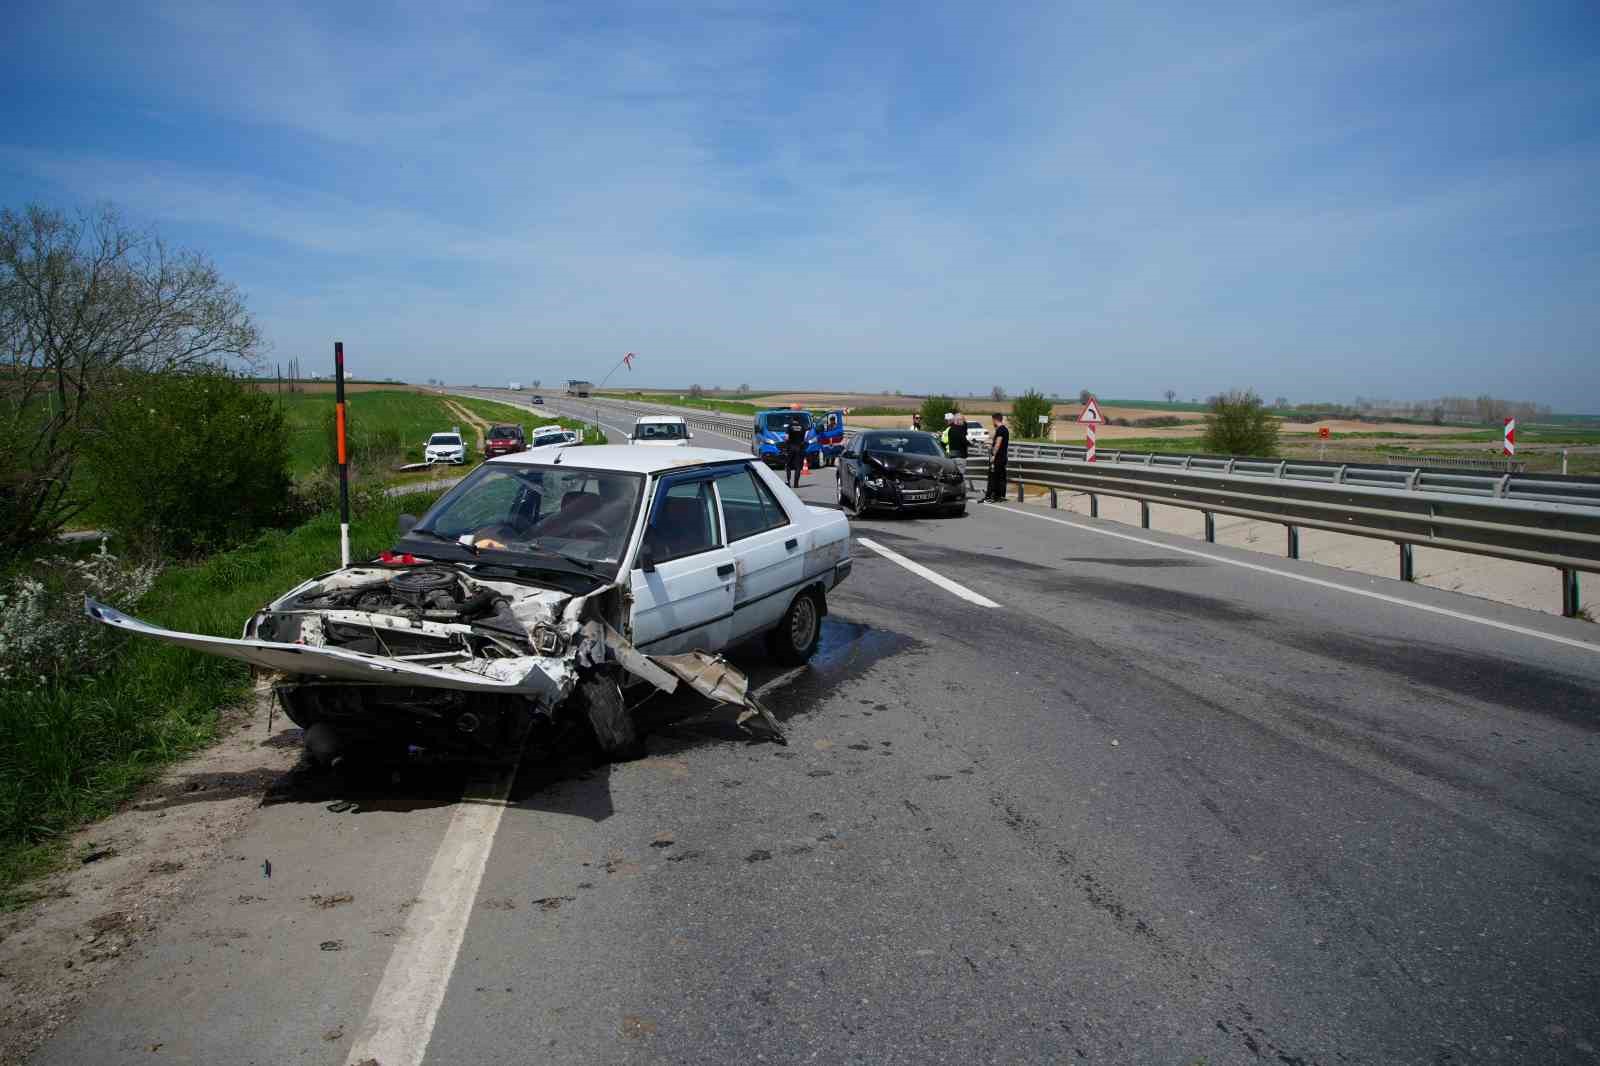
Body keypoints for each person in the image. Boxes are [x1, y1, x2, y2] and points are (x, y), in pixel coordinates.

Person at [983, 412, 1010, 502]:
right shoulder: (1005, 430)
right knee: (1001, 477)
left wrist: (993, 455)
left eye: (992, 420)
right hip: (1003, 457)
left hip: (998, 458)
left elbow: (998, 444)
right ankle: (1000, 495)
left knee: (993, 477)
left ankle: (990, 496)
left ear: (995, 420)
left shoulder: (1000, 430)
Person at [943, 413, 970, 487]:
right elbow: (963, 441)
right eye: (962, 420)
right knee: (960, 476)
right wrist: (970, 444)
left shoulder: (950, 430)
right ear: (958, 421)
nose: (963, 422)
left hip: (951, 455)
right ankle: (959, 492)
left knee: (953, 476)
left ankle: (952, 490)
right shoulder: (960, 430)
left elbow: (944, 442)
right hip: (960, 456)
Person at [785, 414, 808, 488]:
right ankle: (796, 484)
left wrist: (786, 444)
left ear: (793, 419)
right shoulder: (802, 427)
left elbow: (786, 438)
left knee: (788, 465)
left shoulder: (790, 426)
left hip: (791, 447)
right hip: (799, 448)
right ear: (799, 420)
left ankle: (788, 482)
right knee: (798, 466)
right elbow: (804, 439)